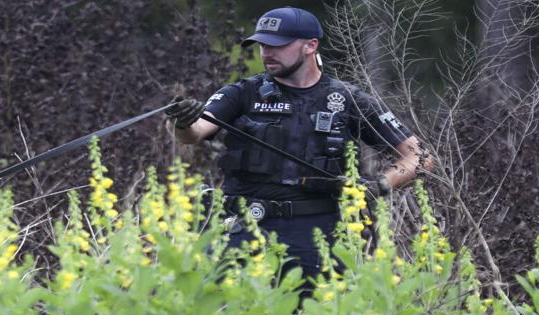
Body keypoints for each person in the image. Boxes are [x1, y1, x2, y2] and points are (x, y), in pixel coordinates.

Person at [164, 7, 429, 285]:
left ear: (310, 45)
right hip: (242, 227)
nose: (267, 53)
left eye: (278, 45)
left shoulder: (348, 99)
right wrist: (182, 122)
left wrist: (379, 185)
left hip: (317, 234)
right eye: (263, 45)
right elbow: (194, 133)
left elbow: (420, 156)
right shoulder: (241, 93)